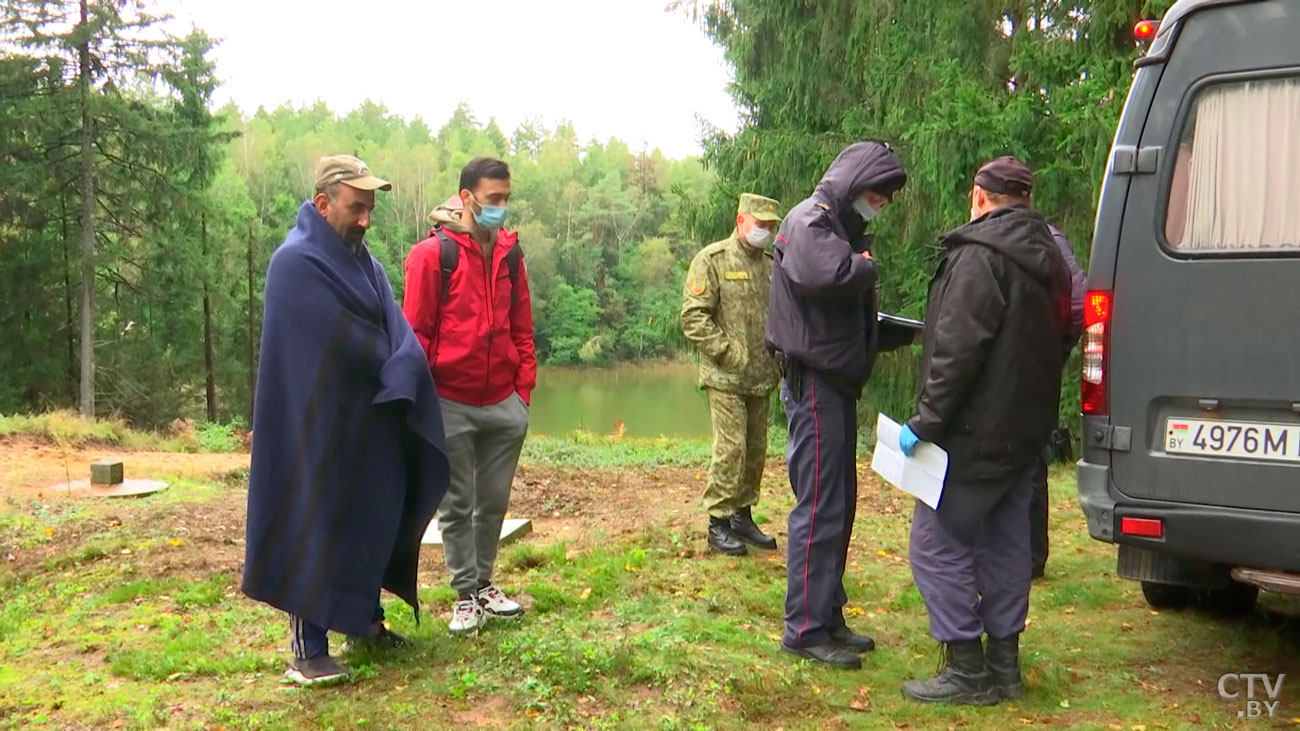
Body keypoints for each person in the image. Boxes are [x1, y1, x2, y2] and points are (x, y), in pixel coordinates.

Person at [242, 154, 450, 686]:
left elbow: (392, 325)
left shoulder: (366, 262)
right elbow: (332, 341)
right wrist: (388, 355)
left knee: (371, 510)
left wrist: (406, 361)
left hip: (367, 417)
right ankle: (307, 648)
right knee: (312, 519)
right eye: (356, 207)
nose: (365, 219)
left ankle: (366, 622)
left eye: (370, 208)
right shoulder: (294, 262)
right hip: (313, 424)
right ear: (323, 203)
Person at [899, 156, 1073, 705]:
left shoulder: (979, 258)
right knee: (1005, 546)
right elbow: (1070, 328)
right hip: (1024, 436)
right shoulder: (1053, 258)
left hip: (972, 438)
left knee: (935, 543)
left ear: (979, 197)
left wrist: (924, 425)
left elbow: (956, 354)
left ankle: (967, 670)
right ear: (1023, 199)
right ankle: (1006, 665)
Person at [766, 141, 908, 670]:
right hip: (816, 385)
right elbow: (827, 277)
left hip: (834, 384)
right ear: (855, 183)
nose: (881, 206)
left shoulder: (835, 229)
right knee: (819, 507)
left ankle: (827, 613)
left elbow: (829, 304)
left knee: (838, 506)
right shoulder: (811, 221)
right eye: (878, 195)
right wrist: (865, 267)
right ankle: (803, 629)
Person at [403, 157, 536, 636]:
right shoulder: (430, 256)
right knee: (456, 502)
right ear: (466, 198)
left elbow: (523, 327)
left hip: (503, 400)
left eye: (506, 198)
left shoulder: (510, 254)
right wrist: (422, 400)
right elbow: (415, 335)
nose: (500, 208)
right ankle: (465, 594)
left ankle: (484, 584)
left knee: (494, 501)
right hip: (450, 400)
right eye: (492, 199)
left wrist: (522, 392)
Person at [681, 193, 784, 556]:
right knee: (731, 447)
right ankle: (718, 523)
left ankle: (743, 515)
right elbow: (693, 318)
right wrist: (727, 352)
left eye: (771, 226)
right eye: (760, 224)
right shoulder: (712, 260)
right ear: (741, 221)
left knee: (756, 449)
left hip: (761, 375)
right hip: (725, 376)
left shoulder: (773, 266)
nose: (765, 231)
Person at [1032, 216, 1086, 579]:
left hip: (1034, 367)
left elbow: (1081, 303)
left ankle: (1030, 558)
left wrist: (1054, 350)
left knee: (1030, 463)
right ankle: (1028, 557)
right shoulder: (1045, 239)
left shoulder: (1043, 239)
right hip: (1037, 366)